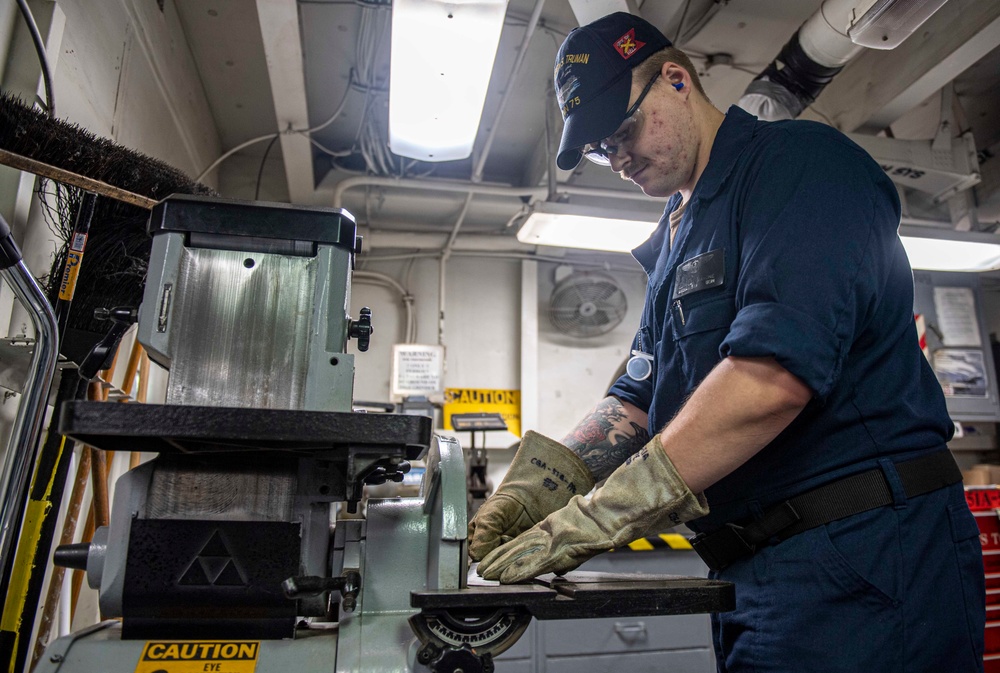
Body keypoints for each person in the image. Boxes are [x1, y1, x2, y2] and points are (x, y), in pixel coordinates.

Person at [468, 11, 986, 672]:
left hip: (865, 558)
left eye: (623, 131)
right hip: (750, 569)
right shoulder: (681, 231)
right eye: (602, 148)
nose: (619, 158)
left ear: (678, 80)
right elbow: (637, 396)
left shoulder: (799, 169)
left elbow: (769, 381)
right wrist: (542, 484)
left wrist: (598, 516)